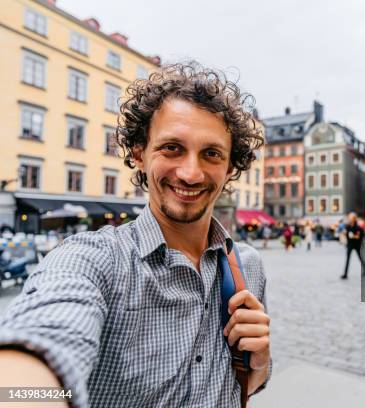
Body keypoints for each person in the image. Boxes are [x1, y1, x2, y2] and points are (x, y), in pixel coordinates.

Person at [0, 63, 271, 407]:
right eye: (172, 148)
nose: (190, 173)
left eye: (211, 154)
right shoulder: (94, 260)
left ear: (230, 167)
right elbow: (37, 351)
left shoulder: (248, 266)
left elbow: (250, 383)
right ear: (140, 153)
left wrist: (258, 362)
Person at [341, 212, 365, 279]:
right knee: (347, 259)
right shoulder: (348, 226)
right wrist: (344, 233)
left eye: (350, 217)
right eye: (349, 217)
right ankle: (345, 274)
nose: (349, 218)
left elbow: (358, 237)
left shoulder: (357, 227)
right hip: (350, 244)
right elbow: (344, 233)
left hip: (357, 245)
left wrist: (353, 236)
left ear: (354, 218)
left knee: (360, 258)